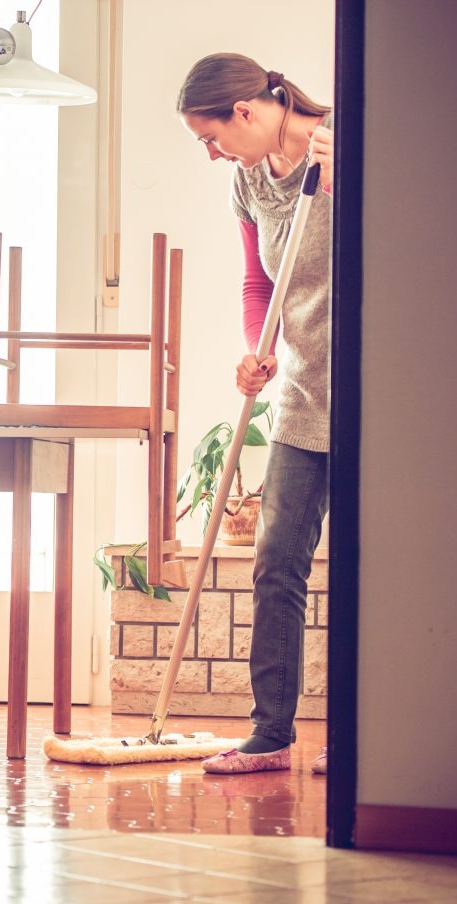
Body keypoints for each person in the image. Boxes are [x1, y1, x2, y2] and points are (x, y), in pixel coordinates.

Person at [175, 53, 334, 775]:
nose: (212, 156)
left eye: (210, 138)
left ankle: (372, 739)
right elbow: (256, 283)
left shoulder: (350, 142)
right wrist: (255, 350)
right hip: (304, 393)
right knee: (276, 564)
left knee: (375, 568)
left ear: (245, 112)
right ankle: (270, 735)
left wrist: (356, 175)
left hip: (378, 390)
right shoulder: (248, 181)